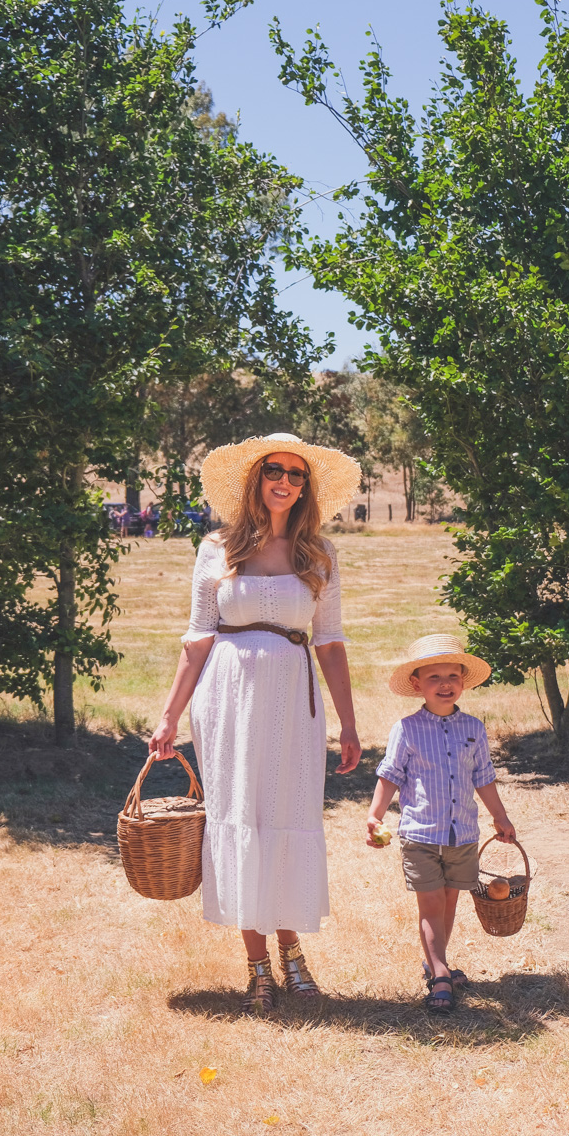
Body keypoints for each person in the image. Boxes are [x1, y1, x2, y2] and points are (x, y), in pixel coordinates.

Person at [149, 432, 362, 1015]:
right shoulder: (216, 549)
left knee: (287, 814)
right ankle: (257, 966)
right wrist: (169, 718)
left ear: (306, 487)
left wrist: (348, 723)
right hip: (228, 699)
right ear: (255, 477)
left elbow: (331, 643)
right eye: (275, 469)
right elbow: (196, 640)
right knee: (241, 815)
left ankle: (292, 952)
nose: (285, 481)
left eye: (297, 474)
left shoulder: (319, 555)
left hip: (294, 701)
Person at [365, 633, 516, 1014]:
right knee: (430, 906)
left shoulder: (474, 729)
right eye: (434, 677)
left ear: (463, 682)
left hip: (463, 834)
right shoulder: (407, 729)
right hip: (421, 834)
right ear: (417, 685)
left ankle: (437, 963)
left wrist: (500, 816)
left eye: (453, 675)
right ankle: (441, 976)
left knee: (449, 905)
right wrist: (375, 814)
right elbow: (390, 775)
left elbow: (483, 776)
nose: (445, 683)